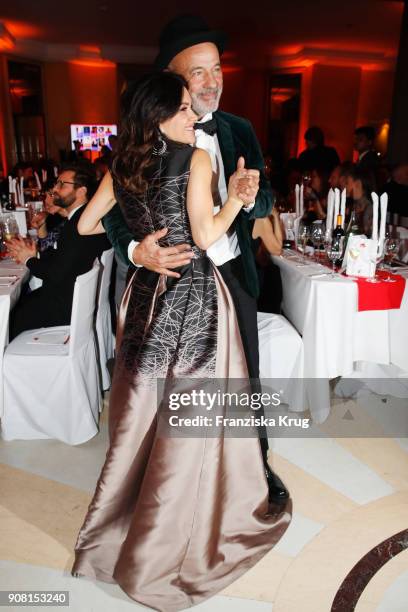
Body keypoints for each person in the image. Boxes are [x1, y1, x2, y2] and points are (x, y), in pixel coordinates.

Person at [71, 72, 291, 612]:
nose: (196, 117)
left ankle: (120, 530)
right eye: (187, 108)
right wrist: (239, 198)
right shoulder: (194, 160)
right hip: (192, 297)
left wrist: (137, 246)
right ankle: (167, 546)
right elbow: (208, 235)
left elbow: (85, 226)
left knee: (142, 411)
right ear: (162, 112)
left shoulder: (122, 165)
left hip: (144, 296)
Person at [102, 15, 288, 503]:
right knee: (170, 381)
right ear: (173, 81)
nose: (213, 81)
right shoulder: (143, 140)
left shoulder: (239, 129)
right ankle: (169, 483)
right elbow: (112, 213)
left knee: (245, 376)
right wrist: (133, 249)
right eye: (198, 72)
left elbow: (265, 198)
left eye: (218, 68)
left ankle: (255, 469)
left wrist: (247, 196)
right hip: (172, 274)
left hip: (232, 272)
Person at [7, 163, 111, 339]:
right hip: (70, 301)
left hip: (61, 311)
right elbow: (63, 260)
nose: (55, 189)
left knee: (9, 316)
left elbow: (55, 273)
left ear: (81, 191)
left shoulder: (79, 226)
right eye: (57, 183)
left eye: (62, 184)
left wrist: (28, 260)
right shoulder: (81, 218)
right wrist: (35, 255)